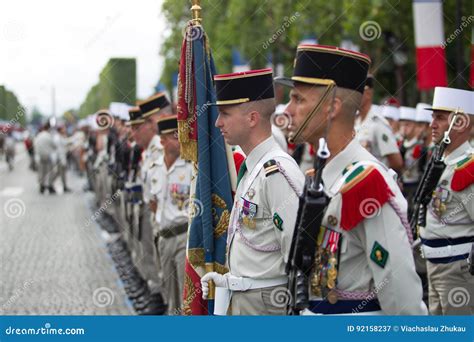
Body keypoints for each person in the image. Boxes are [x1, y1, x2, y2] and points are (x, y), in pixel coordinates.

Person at [277, 44, 427, 315]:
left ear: (332, 107)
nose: (288, 110)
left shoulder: (368, 184)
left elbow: (403, 303)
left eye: (298, 99)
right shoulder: (318, 179)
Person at [200, 68, 305, 315]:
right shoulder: (253, 167)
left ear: (252, 118)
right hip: (247, 299)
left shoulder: (276, 172)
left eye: (225, 114)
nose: (218, 122)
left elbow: (298, 257)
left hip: (267, 304)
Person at [419, 87, 474, 315]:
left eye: (440, 118)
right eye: (433, 117)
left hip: (457, 268)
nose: (432, 124)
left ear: (461, 122)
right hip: (435, 265)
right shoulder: (442, 162)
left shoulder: (468, 168)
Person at [149, 115, 192, 314]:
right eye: (174, 136)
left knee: (186, 296)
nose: (179, 139)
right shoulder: (154, 168)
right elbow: (152, 202)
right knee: (169, 294)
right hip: (164, 237)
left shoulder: (190, 166)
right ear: (163, 141)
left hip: (183, 236)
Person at [355, 75, 403, 174]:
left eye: (356, 92)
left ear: (367, 94)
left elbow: (397, 162)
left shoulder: (378, 123)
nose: (352, 96)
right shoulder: (355, 121)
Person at [34, 122, 56, 194]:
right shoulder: (49, 136)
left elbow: (35, 145)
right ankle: (50, 186)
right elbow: (54, 146)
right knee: (50, 172)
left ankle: (42, 186)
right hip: (48, 156)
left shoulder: (38, 135)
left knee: (41, 172)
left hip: (40, 156)